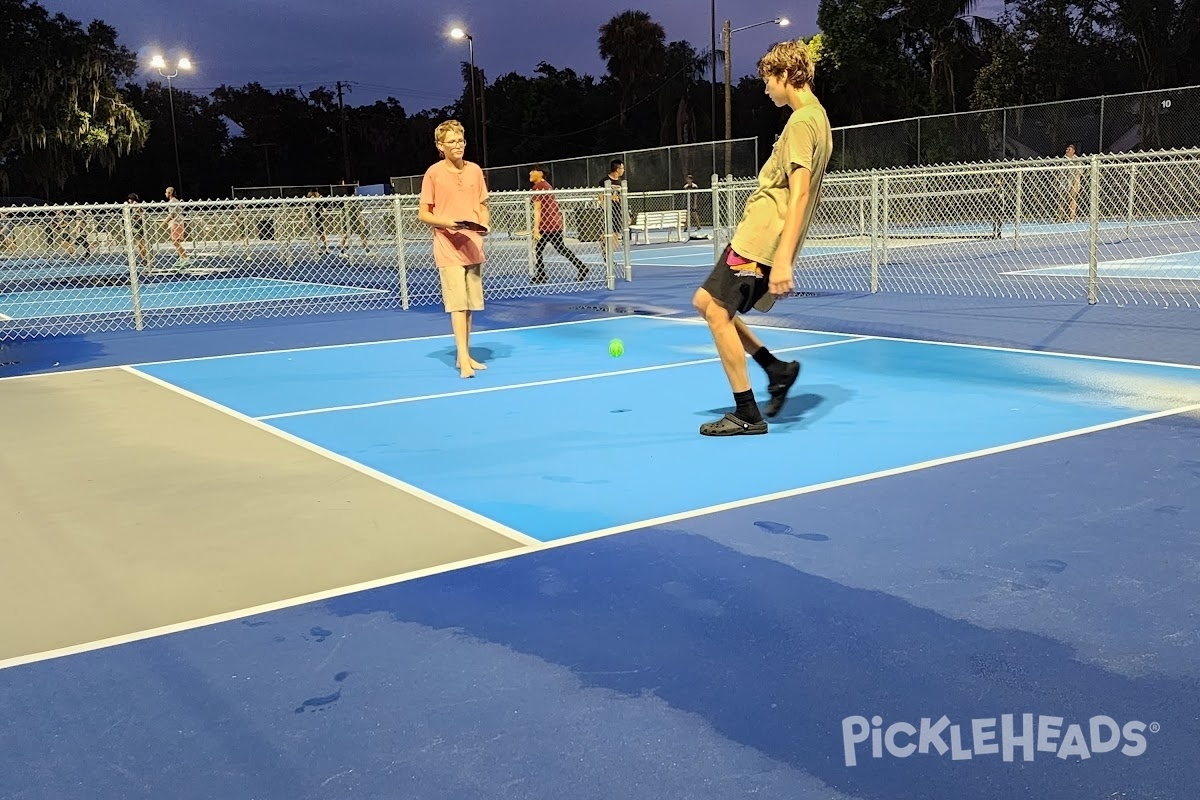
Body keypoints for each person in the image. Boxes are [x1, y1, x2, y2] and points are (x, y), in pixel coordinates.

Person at [691, 38, 833, 437]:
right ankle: (775, 368)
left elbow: (800, 190)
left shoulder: (803, 122)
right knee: (705, 301)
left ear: (786, 74)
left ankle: (746, 413)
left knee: (718, 313)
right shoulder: (816, 117)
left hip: (762, 239)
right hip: (753, 234)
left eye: (768, 80)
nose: (766, 88)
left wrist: (784, 258)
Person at [418, 119, 491, 379]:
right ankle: (462, 357)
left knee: (469, 305)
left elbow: (483, 205)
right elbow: (423, 214)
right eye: (451, 141)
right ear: (440, 145)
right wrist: (447, 223)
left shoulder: (474, 170)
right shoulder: (433, 173)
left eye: (460, 140)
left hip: (473, 244)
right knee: (457, 305)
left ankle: (466, 354)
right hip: (447, 246)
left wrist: (483, 225)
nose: (458, 145)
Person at [529, 164, 589, 283]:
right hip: (555, 222)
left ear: (541, 173)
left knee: (539, 249)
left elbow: (538, 209)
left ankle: (541, 275)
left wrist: (536, 228)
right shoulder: (547, 186)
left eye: (533, 171)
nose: (530, 173)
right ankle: (581, 267)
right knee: (559, 248)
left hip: (546, 224)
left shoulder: (539, 187)